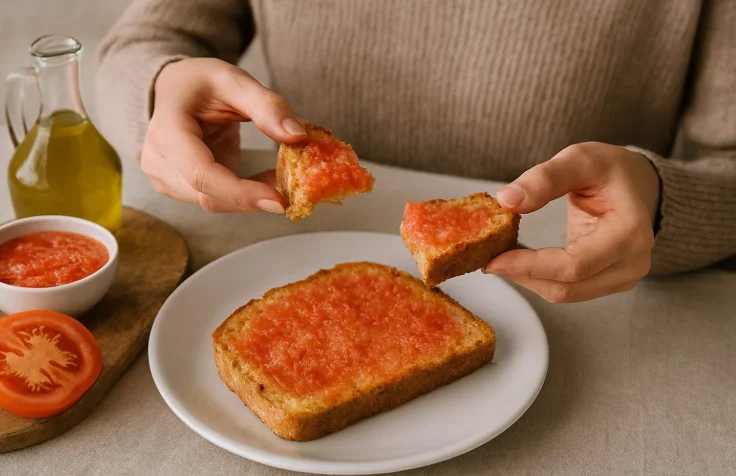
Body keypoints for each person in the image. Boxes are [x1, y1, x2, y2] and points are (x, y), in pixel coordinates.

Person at [95, 0, 735, 303]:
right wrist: (156, 89)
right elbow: (151, 36)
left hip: (584, 297)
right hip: (275, 251)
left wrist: (660, 199)